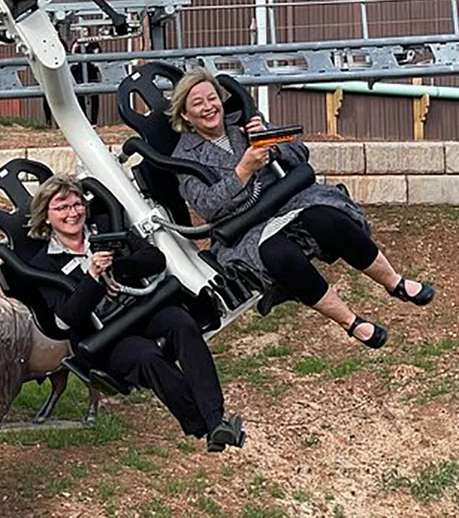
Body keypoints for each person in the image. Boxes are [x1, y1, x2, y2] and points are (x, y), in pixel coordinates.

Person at [168, 68, 435, 349]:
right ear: (185, 116)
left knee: (329, 219)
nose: (209, 107)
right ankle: (351, 322)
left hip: (288, 199)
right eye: (197, 103)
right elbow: (208, 206)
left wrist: (271, 142)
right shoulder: (183, 159)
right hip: (244, 227)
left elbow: (299, 152)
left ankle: (394, 282)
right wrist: (243, 170)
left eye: (212, 98)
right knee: (278, 254)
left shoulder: (244, 124)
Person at [27, 174, 244, 451]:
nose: (73, 213)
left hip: (141, 310)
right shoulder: (43, 264)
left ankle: (215, 421)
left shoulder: (106, 229)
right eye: (62, 208)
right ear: (46, 217)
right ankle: (205, 425)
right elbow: (71, 315)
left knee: (181, 322)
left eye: (77, 204)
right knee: (146, 356)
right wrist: (93, 277)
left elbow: (155, 259)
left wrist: (119, 267)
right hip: (107, 336)